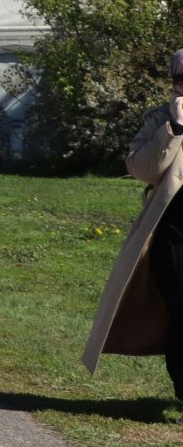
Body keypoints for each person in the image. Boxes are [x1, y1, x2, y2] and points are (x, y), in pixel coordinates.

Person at [84, 48, 183, 399]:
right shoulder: (160, 119)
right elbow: (141, 168)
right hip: (174, 229)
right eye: (179, 80)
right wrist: (174, 129)